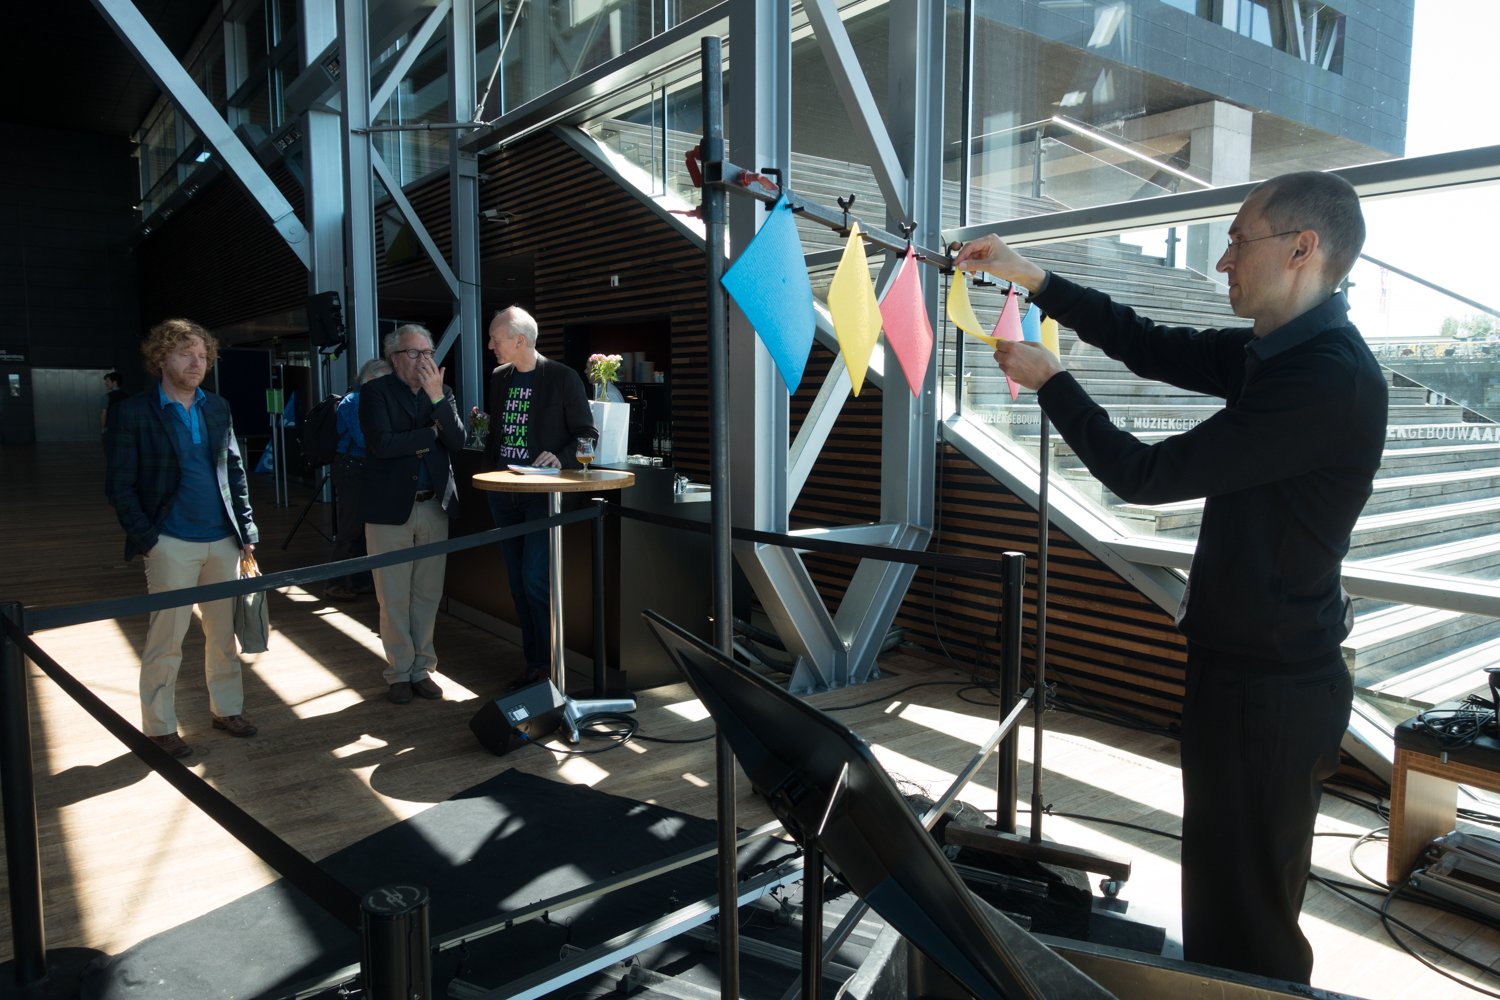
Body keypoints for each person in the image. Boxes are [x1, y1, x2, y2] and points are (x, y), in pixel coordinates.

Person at [953, 170, 1386, 984]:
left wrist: (1056, 383)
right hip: (1243, 670)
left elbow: (1146, 477)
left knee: (1250, 921)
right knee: (1223, 900)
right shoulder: (1279, 353)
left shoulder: (1328, 378)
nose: (1222, 261)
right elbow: (1152, 344)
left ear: (1302, 247)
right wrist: (1034, 277)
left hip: (1277, 689)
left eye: (1237, 240)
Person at [104, 320, 260, 758]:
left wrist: (245, 530)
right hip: (169, 542)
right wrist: (150, 540)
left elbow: (234, 472)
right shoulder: (133, 412)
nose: (197, 363)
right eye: (186, 353)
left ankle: (227, 709)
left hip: (223, 542)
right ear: (160, 359)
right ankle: (159, 727)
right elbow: (119, 485)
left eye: (203, 355)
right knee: (165, 640)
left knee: (223, 635)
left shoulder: (218, 407)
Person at [484, 306, 596, 690]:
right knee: (516, 583)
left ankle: (551, 669)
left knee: (535, 581)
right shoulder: (499, 378)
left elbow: (587, 435)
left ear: (519, 340)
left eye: (495, 339)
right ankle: (534, 666)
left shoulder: (563, 378)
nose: (490, 346)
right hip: (502, 493)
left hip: (541, 496)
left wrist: (560, 457)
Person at [360, 324, 464, 704]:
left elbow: (458, 440)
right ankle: (399, 672)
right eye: (415, 353)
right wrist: (430, 436)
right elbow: (383, 444)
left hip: (434, 506)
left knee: (426, 595)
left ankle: (423, 669)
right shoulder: (374, 393)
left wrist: (437, 403)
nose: (424, 360)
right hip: (390, 511)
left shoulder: (444, 393)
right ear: (395, 358)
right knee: (393, 597)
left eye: (429, 352)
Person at [324, 358, 392, 602]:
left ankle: (362, 581)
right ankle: (335, 583)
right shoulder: (353, 401)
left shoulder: (368, 400)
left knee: (366, 528)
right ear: (372, 380)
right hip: (352, 468)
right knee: (350, 527)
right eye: (387, 378)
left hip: (363, 468)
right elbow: (365, 440)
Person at [100, 371, 128, 440]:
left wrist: (102, 428)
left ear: (114, 382)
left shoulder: (106, 397)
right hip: (124, 428)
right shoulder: (127, 397)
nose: (105, 383)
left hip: (110, 428)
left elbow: (103, 414)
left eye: (107, 381)